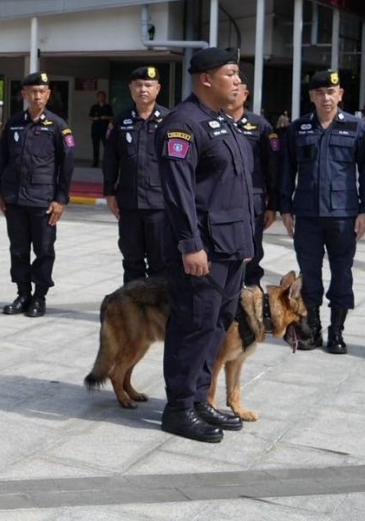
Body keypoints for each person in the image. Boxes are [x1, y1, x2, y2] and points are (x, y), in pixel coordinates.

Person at [155, 47, 255, 443]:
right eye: (230, 73)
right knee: (192, 325)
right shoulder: (183, 124)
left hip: (230, 247)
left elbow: (236, 190)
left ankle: (198, 399)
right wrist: (189, 244)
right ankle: (178, 407)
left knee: (215, 325)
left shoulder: (222, 122)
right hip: (203, 249)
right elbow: (179, 192)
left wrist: (246, 241)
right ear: (205, 79)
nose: (236, 80)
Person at [278, 71, 365, 353]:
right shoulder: (298, 128)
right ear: (311, 97)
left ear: (340, 94)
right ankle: (313, 328)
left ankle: (337, 331)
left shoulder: (356, 128)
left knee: (342, 273)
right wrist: (285, 207)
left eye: (331, 92)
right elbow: (287, 170)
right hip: (307, 214)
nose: (326, 97)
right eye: (319, 92)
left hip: (344, 215)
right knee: (310, 273)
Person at [0, 71, 74, 317]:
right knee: (18, 249)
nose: (37, 96)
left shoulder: (59, 126)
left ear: (48, 94)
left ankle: (39, 297)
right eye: (33, 92)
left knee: (44, 250)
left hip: (43, 201)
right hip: (15, 199)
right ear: (24, 94)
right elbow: (1, 159)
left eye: (42, 92)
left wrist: (61, 199)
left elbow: (67, 166)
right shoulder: (14, 122)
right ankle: (22, 293)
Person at [102, 65, 172, 285]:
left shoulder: (171, 121)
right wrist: (109, 191)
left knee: (160, 261)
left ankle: (159, 313)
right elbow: (111, 159)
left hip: (160, 205)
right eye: (139, 85)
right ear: (131, 88)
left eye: (149, 85)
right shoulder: (120, 122)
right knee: (132, 260)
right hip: (130, 203)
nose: (143, 89)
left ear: (158, 89)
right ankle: (133, 312)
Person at [224, 86, 280, 293]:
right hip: (220, 204)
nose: (232, 93)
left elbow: (272, 169)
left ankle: (250, 311)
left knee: (251, 259)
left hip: (251, 204)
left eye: (237, 90)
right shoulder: (213, 123)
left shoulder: (261, 127)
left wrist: (272, 205)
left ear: (246, 95)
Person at [89, 90, 113, 167]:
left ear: (105, 98)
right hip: (96, 128)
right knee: (95, 146)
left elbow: (112, 116)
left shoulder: (108, 107)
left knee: (106, 146)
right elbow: (90, 116)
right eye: (99, 97)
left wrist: (106, 117)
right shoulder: (94, 107)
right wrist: (94, 118)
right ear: (97, 98)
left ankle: (106, 162)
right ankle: (95, 162)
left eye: (102, 97)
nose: (101, 98)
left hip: (105, 128)